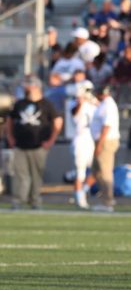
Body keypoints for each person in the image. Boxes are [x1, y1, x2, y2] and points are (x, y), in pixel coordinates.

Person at [7, 76, 62, 210]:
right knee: (21, 175)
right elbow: (9, 121)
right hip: (20, 145)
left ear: (35, 87)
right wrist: (10, 137)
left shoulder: (47, 104)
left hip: (38, 146)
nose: (25, 88)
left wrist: (51, 140)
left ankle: (35, 201)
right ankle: (18, 201)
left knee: (36, 175)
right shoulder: (20, 103)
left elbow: (58, 122)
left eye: (28, 85)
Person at [89, 84, 119, 212]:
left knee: (105, 172)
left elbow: (106, 126)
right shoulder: (103, 104)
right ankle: (106, 198)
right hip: (100, 140)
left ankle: (108, 202)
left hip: (105, 141)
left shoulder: (108, 105)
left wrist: (100, 144)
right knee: (96, 171)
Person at [68, 81, 96, 210]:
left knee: (96, 170)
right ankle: (80, 199)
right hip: (81, 139)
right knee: (80, 172)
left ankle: (82, 191)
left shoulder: (94, 104)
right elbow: (75, 112)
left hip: (93, 139)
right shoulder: (76, 104)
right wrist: (82, 99)